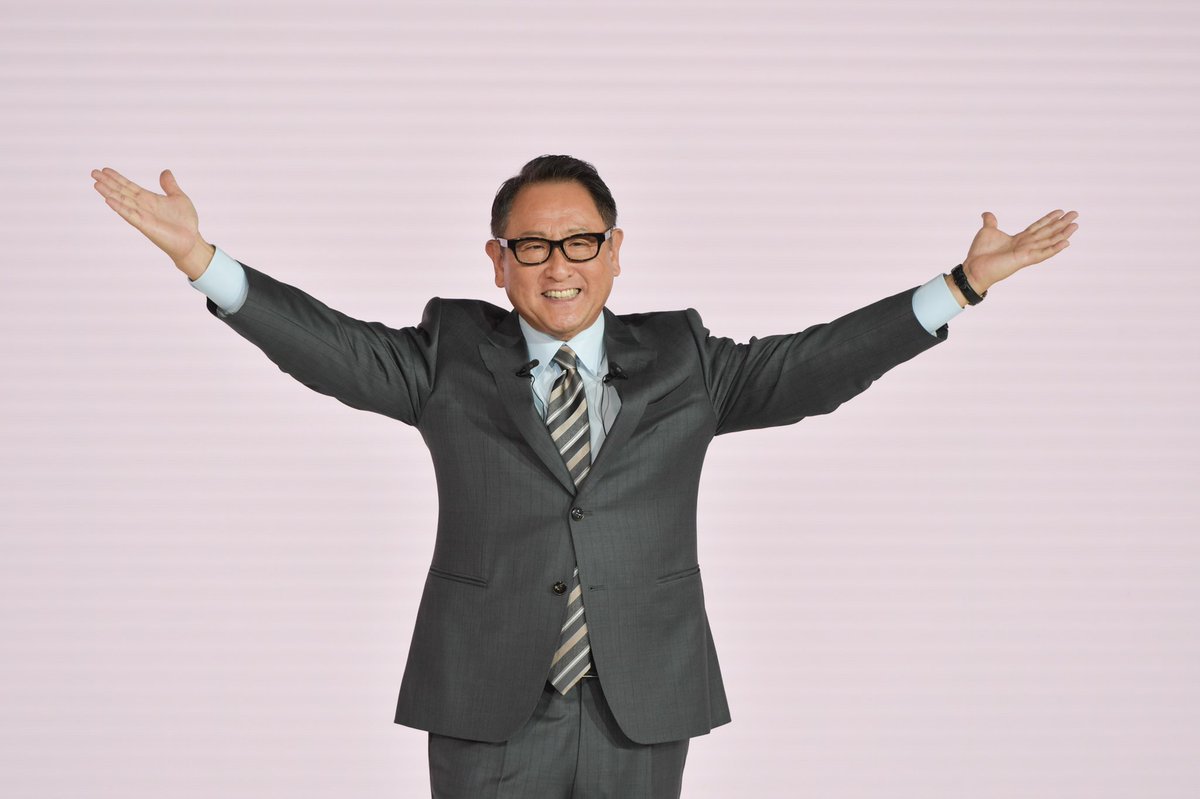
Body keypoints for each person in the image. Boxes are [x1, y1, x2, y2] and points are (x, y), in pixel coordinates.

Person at [90, 156, 1078, 798]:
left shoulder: (684, 358)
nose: (557, 266)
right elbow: (334, 349)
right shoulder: (449, 353)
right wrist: (204, 261)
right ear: (498, 260)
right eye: (531, 246)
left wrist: (960, 286)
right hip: (487, 697)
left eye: (579, 243)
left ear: (613, 252)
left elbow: (812, 366)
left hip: (638, 698)